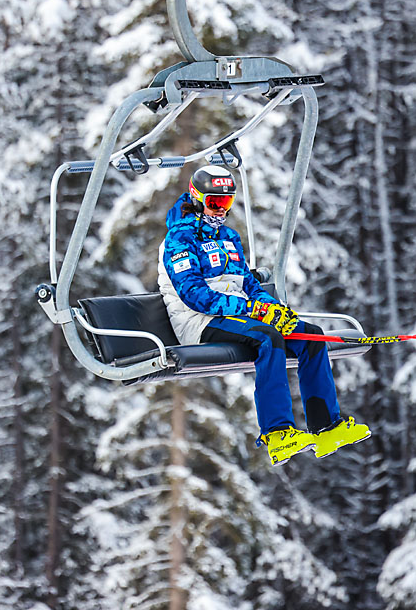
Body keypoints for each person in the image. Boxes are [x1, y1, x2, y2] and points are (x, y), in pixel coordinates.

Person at [157, 165, 371, 466]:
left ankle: (326, 427)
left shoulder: (228, 237)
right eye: (215, 202)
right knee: (267, 339)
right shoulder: (179, 239)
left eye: (226, 202)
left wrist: (274, 310)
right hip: (199, 321)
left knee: (310, 336)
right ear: (197, 198)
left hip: (238, 316)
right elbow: (194, 295)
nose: (221, 210)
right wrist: (252, 310)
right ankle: (278, 433)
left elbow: (249, 285)